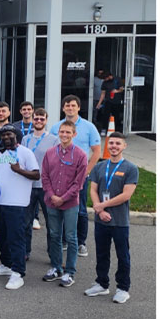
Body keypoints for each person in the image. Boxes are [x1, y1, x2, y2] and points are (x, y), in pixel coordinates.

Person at [83, 133, 139, 305]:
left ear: (124, 146)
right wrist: (99, 210)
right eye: (111, 143)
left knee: (123, 255)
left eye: (117, 143)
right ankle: (101, 283)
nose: (114, 146)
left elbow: (126, 195)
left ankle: (123, 288)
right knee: (101, 253)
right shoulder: (100, 167)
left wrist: (101, 206)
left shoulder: (130, 168)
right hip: (101, 220)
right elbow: (93, 190)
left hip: (119, 222)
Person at [0, 126, 39, 290]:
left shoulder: (25, 153)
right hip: (1, 202)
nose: (6, 137)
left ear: (16, 135)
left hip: (18, 204)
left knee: (17, 239)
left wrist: (19, 170)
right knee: (2, 237)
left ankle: (18, 272)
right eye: (3, 135)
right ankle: (7, 265)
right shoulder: (0, 153)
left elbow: (36, 175)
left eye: (9, 134)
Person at [40, 120, 88, 288]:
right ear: (58, 133)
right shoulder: (50, 153)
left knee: (71, 237)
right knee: (54, 235)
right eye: (62, 132)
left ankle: (70, 272)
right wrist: (52, 195)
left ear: (74, 134)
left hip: (70, 204)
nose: (64, 135)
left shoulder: (81, 155)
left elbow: (78, 183)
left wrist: (63, 197)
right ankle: (56, 267)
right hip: (51, 202)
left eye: (68, 132)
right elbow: (44, 176)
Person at [62, 95, 102, 257]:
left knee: (80, 209)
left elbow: (97, 151)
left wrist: (86, 171)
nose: (70, 108)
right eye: (67, 105)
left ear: (78, 108)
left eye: (73, 105)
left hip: (80, 176)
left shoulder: (89, 127)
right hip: (62, 176)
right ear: (63, 108)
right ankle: (64, 240)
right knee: (62, 208)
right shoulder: (58, 126)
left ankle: (81, 242)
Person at [21, 107, 58, 234]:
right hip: (28, 185)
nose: (39, 121)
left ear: (46, 121)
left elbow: (56, 163)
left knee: (51, 222)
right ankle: (25, 252)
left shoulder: (54, 139)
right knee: (26, 222)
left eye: (42, 119)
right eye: (36, 118)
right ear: (32, 119)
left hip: (46, 186)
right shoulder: (26, 139)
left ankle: (52, 252)